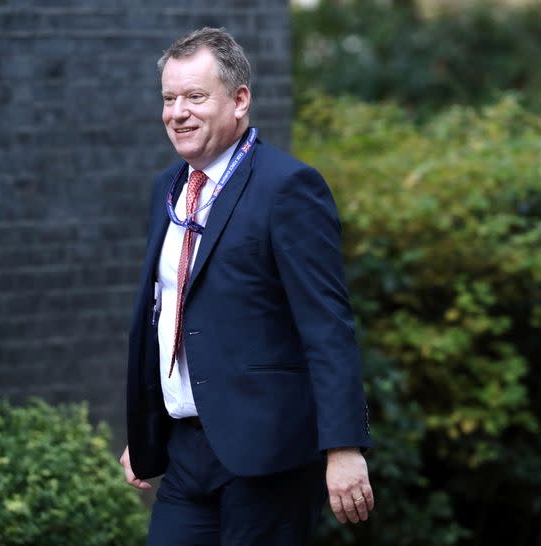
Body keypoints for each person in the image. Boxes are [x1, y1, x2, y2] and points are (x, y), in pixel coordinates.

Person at [119, 27, 374, 546]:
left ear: (239, 101)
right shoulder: (166, 189)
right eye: (169, 98)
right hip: (186, 449)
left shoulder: (289, 188)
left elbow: (327, 326)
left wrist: (344, 446)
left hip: (268, 454)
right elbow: (166, 310)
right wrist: (145, 428)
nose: (177, 112)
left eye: (195, 96)